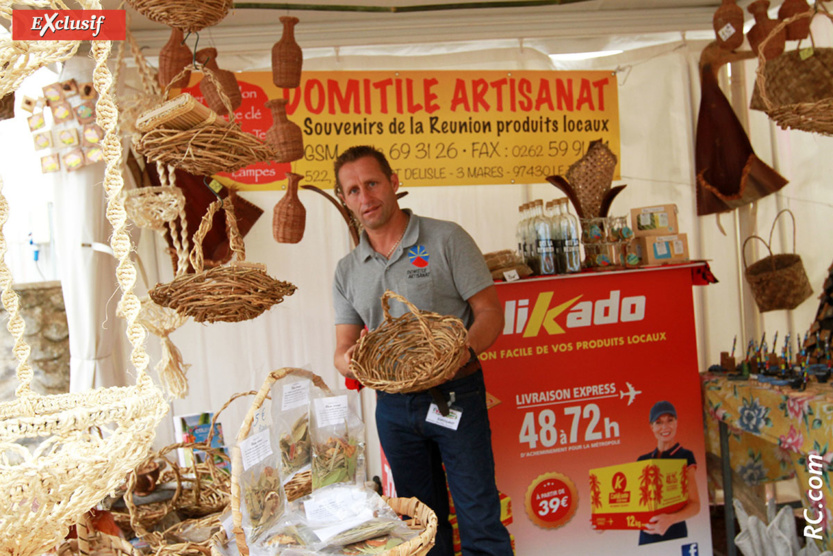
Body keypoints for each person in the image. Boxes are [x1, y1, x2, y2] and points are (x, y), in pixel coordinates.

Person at [331, 145, 512, 556]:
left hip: (455, 394)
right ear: (345, 199)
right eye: (354, 190)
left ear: (394, 183)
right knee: (420, 526)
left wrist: (460, 354)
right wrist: (353, 361)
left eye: (372, 183)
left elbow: (490, 314)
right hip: (393, 408)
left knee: (478, 513)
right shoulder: (347, 269)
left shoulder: (446, 238)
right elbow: (341, 349)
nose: (365, 197)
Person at [637, 400, 701, 545]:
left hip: (674, 534)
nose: (665, 427)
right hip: (646, 537)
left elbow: (695, 505)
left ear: (676, 422)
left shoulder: (685, 456)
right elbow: (633, 505)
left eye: (669, 420)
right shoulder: (643, 460)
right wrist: (606, 523)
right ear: (651, 427)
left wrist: (671, 519)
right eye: (659, 422)